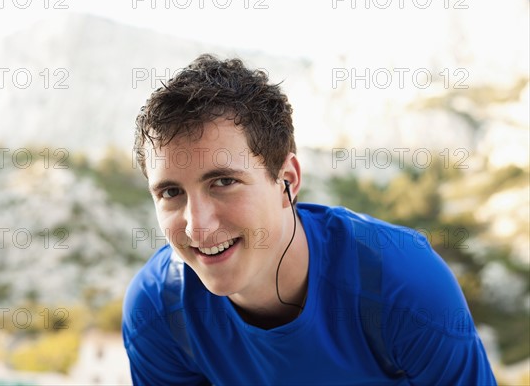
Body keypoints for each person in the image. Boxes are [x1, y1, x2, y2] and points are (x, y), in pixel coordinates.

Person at [122, 54, 496, 385]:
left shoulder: (404, 285)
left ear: (287, 180)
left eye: (223, 182)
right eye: (171, 193)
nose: (196, 226)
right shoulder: (157, 312)